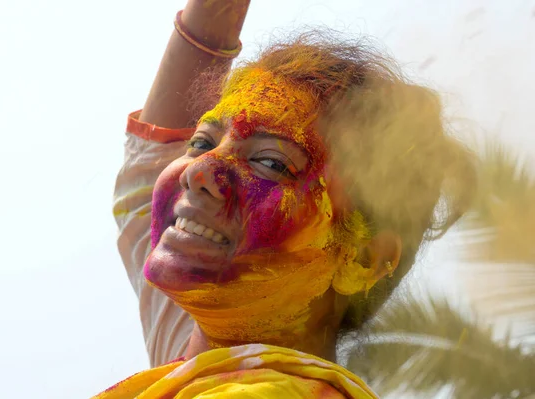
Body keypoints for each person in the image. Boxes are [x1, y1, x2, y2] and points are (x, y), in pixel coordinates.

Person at [96, 0, 475, 397]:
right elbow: (147, 176)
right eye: (202, 142)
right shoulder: (208, 356)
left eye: (272, 163)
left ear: (363, 258)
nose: (197, 172)